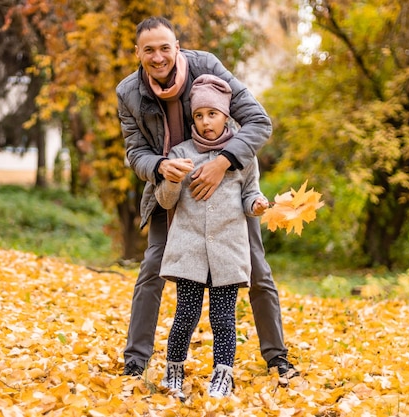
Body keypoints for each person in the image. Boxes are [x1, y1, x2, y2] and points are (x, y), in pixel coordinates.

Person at [115, 16, 297, 381]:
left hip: (228, 192)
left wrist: (223, 163)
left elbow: (259, 122)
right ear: (138, 53)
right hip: (173, 194)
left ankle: (277, 358)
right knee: (152, 269)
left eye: (165, 47)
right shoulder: (129, 92)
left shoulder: (207, 68)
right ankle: (135, 363)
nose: (158, 56)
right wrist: (161, 166)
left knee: (257, 271)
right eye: (148, 50)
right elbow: (135, 153)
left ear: (177, 47)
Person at [156, 74, 270, 399]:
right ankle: (173, 370)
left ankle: (223, 376)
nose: (206, 122)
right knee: (185, 316)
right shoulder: (181, 152)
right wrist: (173, 179)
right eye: (198, 115)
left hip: (226, 253)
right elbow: (166, 202)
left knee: (223, 319)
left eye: (212, 114)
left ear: (226, 116)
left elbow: (250, 195)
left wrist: (257, 204)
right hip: (190, 252)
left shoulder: (243, 157)